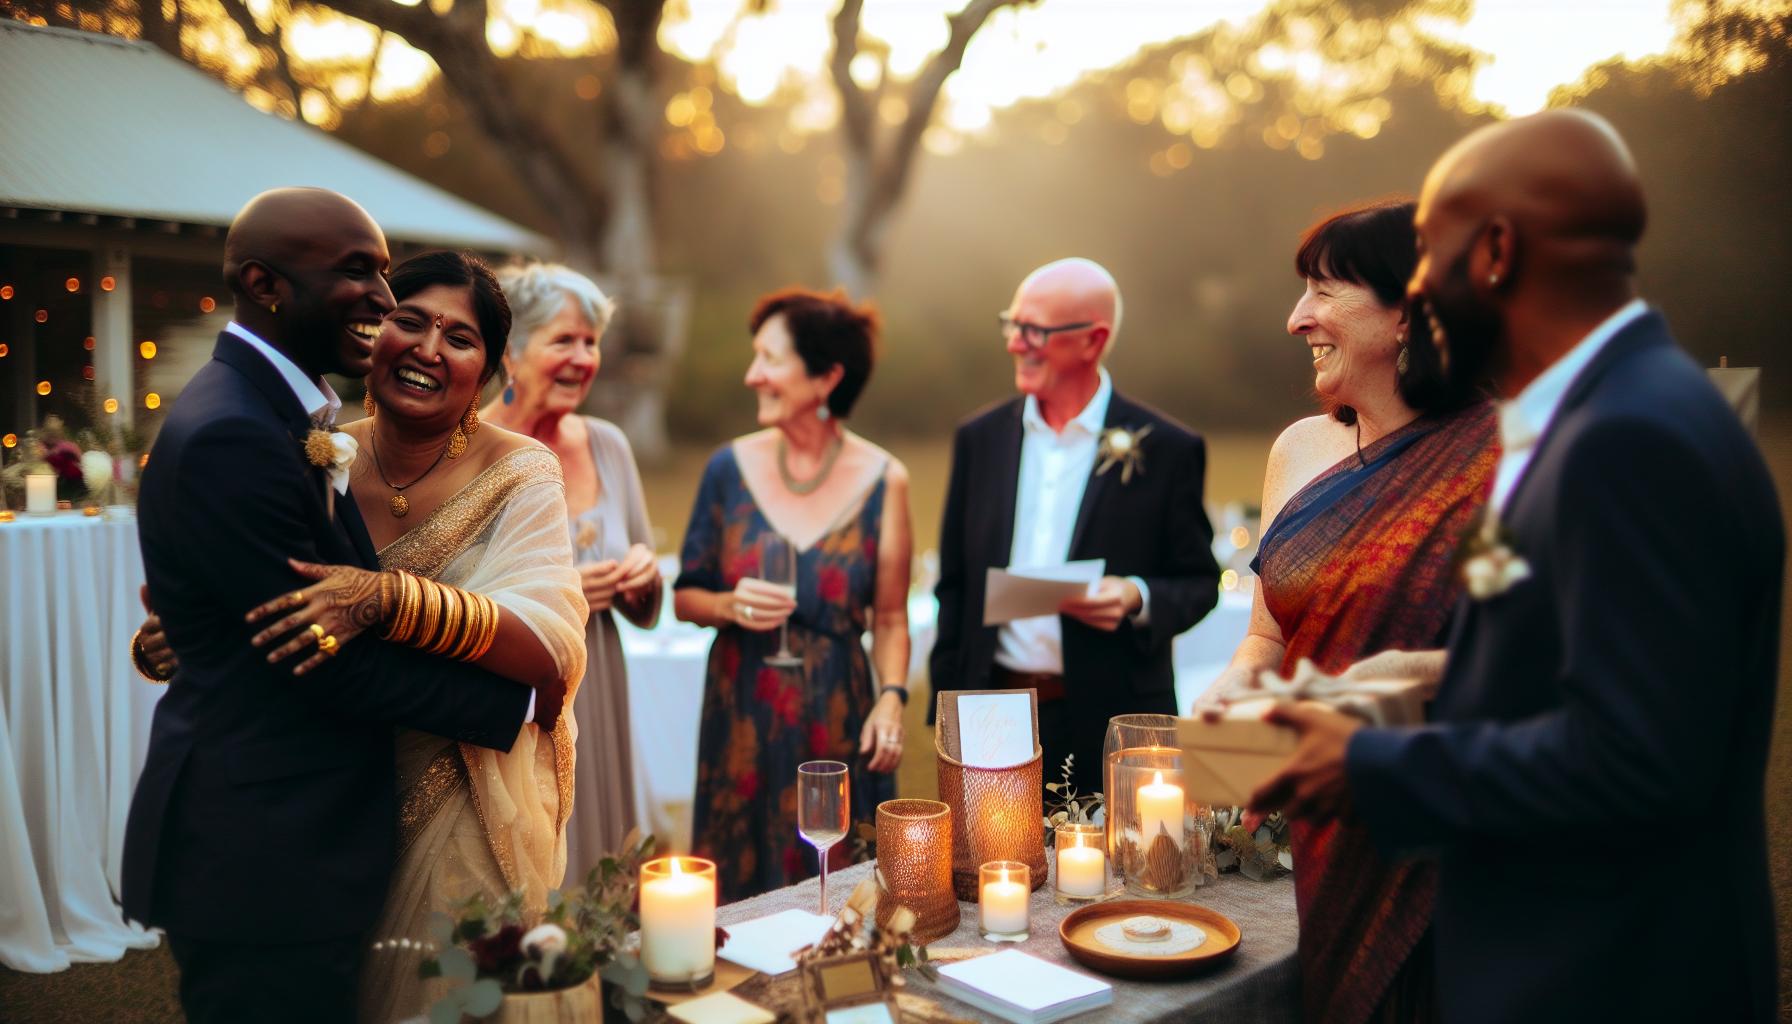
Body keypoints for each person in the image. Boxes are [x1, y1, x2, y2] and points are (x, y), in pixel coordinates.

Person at [1250, 110, 1783, 1022]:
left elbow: (1640, 762)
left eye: (1430, 256)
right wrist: (1413, 671)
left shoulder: (1627, 436)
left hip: (1608, 974)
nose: (1420, 288)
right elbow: (1593, 667)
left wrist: (1372, 762)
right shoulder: (1620, 408)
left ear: (1494, 250)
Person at [122, 192, 541, 1024]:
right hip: (263, 850)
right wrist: (514, 701)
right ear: (264, 283)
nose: (384, 300)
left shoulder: (277, 413)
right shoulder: (232, 433)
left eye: (384, 271)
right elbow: (320, 657)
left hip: (290, 838)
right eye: (358, 271)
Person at [1197, 200, 1495, 1024]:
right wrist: (1235, 687)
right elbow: (1266, 630)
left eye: (1324, 292)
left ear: (1408, 310)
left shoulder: (1506, 458)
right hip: (1313, 827)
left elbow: (1545, 661)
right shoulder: (1298, 448)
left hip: (1447, 835)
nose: (1298, 320)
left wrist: (1394, 680)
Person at [931, 258, 1219, 796]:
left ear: (1093, 341)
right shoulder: (980, 438)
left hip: (1113, 717)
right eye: (1011, 325)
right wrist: (947, 710)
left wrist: (1135, 596)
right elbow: (954, 584)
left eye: (1034, 329)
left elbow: (1199, 582)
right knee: (993, 876)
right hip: (994, 713)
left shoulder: (1168, 449)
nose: (1015, 343)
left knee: (1116, 875)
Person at [674, 287, 911, 902]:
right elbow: (686, 597)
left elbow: (889, 618)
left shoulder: (885, 480)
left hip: (836, 714)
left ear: (827, 376)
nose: (753, 375)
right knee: (741, 897)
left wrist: (890, 699)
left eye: (771, 359)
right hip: (740, 717)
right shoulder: (727, 469)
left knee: (841, 891)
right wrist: (730, 606)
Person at [484, 262, 661, 880]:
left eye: (591, 342)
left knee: (602, 863)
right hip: (514, 695)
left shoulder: (609, 444)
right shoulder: (471, 449)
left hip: (600, 684)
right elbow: (444, 593)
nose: (584, 358)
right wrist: (556, 598)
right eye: (564, 340)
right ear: (511, 351)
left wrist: (645, 579)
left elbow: (647, 612)